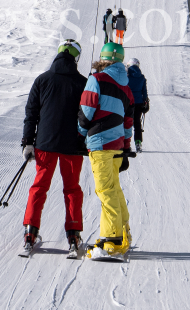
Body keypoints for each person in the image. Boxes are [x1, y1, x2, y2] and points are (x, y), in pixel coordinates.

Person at [20, 39, 88, 257]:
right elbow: (87, 115)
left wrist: (28, 142)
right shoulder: (83, 82)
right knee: (72, 189)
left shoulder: (42, 80)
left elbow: (32, 113)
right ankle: (73, 236)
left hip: (45, 144)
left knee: (39, 186)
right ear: (75, 58)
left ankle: (30, 233)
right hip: (72, 146)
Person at [78, 42, 134, 259]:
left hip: (100, 143)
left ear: (102, 58)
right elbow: (129, 121)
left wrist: (80, 134)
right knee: (115, 189)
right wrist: (126, 147)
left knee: (105, 191)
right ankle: (122, 232)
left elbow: (86, 110)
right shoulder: (126, 87)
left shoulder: (97, 80)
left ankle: (111, 240)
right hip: (117, 145)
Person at [126, 58, 150, 153]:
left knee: (126, 122)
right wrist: (146, 102)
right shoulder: (142, 78)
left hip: (128, 103)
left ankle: (125, 143)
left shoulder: (126, 77)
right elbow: (144, 92)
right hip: (139, 103)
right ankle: (138, 142)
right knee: (137, 123)